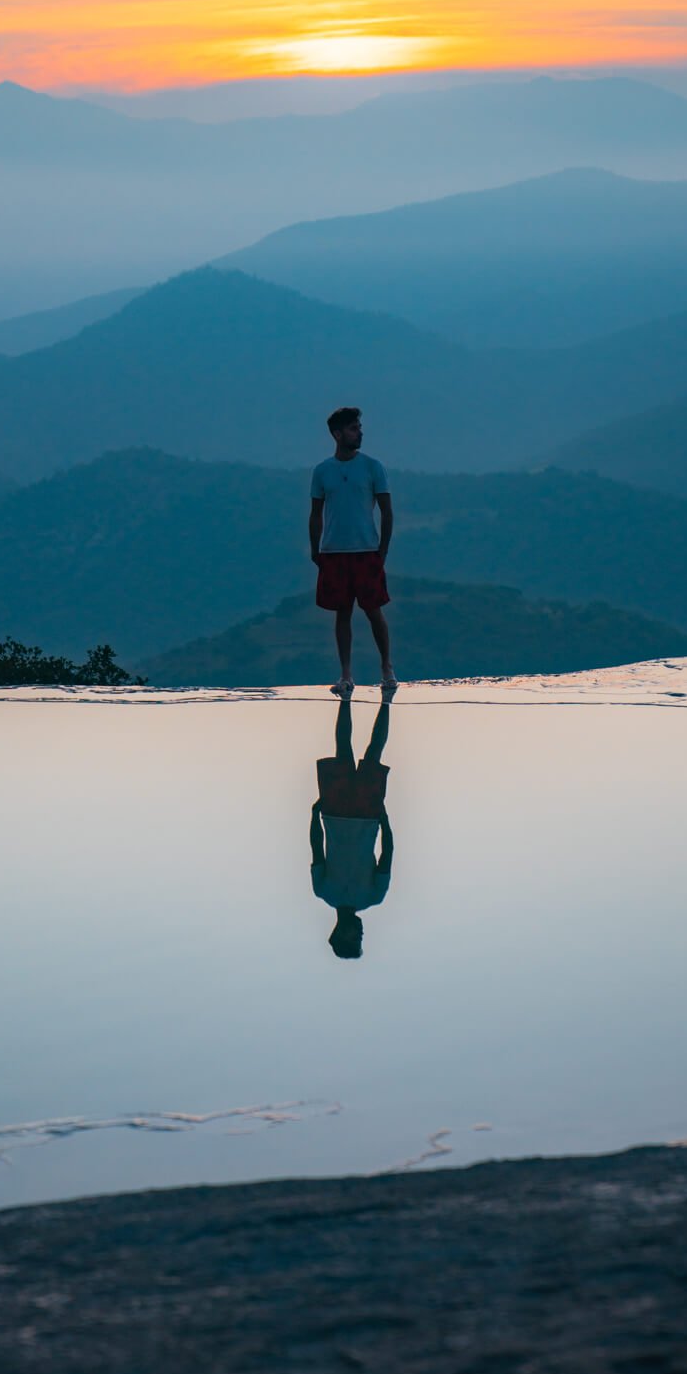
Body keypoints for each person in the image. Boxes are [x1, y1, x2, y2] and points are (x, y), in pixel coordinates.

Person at [309, 406, 396, 697]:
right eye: (353, 428)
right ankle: (346, 675)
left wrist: (382, 550)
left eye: (358, 427)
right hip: (334, 552)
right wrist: (315, 548)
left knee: (374, 611)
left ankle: (387, 669)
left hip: (366, 550)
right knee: (342, 613)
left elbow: (386, 511)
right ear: (337, 434)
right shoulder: (322, 471)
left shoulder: (373, 467)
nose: (359, 432)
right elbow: (316, 513)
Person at [310, 697, 393, 959]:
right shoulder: (373, 896)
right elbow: (387, 853)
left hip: (334, 814)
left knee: (343, 749)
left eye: (354, 938)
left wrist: (314, 815)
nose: (360, 933)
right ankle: (387, 701)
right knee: (374, 751)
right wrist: (384, 819)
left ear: (338, 934)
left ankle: (346, 698)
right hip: (367, 816)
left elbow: (316, 848)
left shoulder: (323, 891)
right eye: (361, 938)